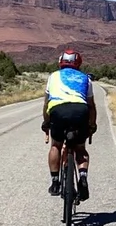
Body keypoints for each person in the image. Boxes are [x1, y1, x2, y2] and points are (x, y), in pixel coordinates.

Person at [41, 48, 97, 200]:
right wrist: (92, 125)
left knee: (56, 146)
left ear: (61, 62)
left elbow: (46, 104)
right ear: (78, 63)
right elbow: (91, 106)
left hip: (58, 112)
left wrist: (46, 123)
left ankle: (55, 182)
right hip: (80, 111)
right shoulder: (86, 79)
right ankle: (83, 178)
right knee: (80, 149)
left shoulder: (53, 77)